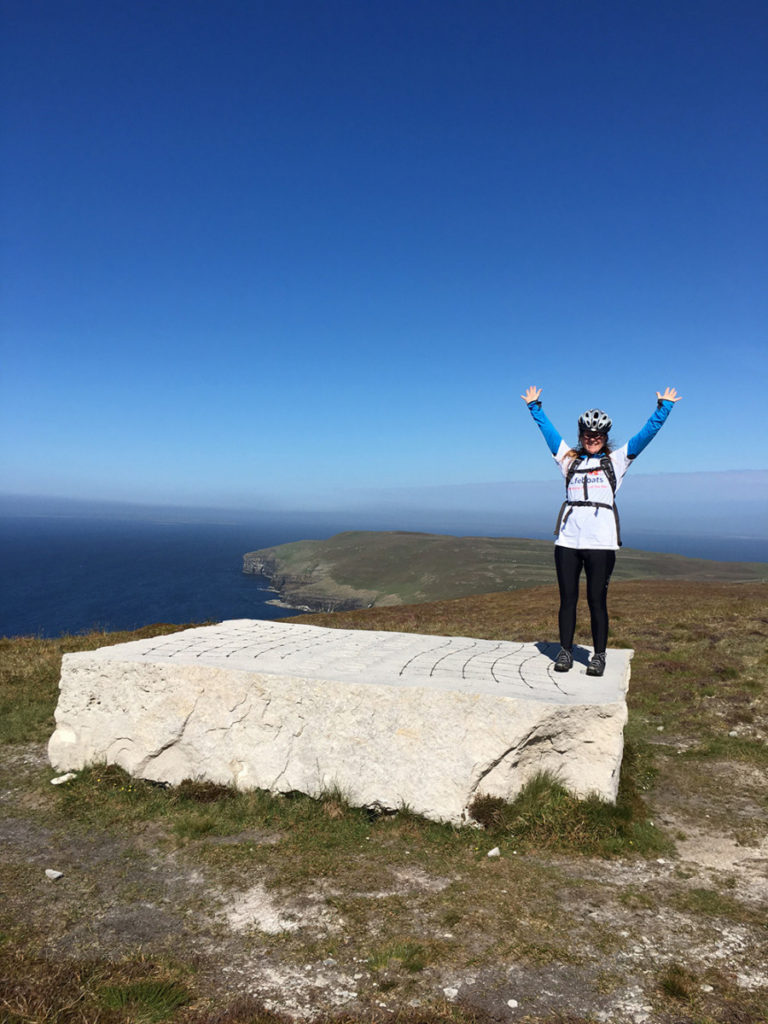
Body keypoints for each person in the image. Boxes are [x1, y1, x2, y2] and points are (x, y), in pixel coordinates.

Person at [521, 384, 681, 676]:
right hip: (568, 541)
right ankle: (566, 652)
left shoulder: (616, 461)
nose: (592, 439)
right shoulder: (569, 460)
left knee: (597, 600)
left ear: (605, 438)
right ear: (581, 437)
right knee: (567, 599)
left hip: (601, 544)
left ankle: (598, 656)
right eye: (587, 435)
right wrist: (535, 408)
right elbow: (550, 435)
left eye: (597, 436)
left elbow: (644, 437)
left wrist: (663, 409)